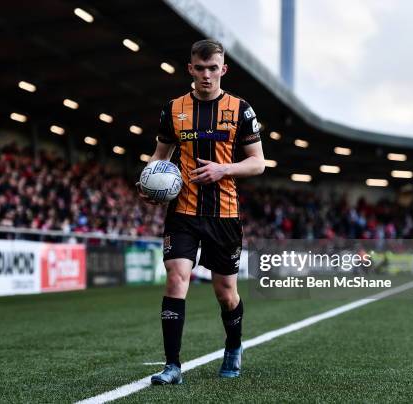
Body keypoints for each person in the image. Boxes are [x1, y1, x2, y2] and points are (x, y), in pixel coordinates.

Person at [137, 39, 264, 385]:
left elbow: (258, 164)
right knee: (177, 278)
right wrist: (148, 181)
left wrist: (224, 170)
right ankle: (172, 366)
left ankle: (234, 346)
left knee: (226, 292)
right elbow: (160, 154)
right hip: (184, 211)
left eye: (213, 69)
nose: (206, 75)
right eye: (200, 68)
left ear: (223, 70)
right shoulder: (173, 109)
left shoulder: (241, 110)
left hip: (223, 212)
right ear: (190, 69)